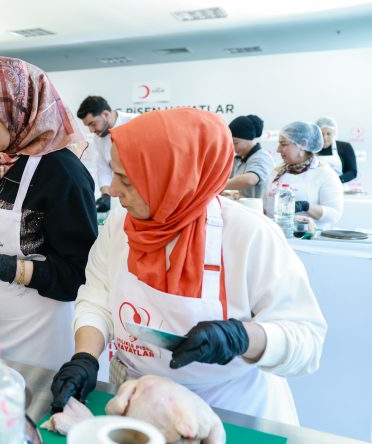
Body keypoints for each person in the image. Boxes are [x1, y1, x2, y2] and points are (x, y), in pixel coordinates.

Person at [50, 108, 327, 425]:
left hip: (230, 411)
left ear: (173, 178)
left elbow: (306, 342)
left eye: (126, 179)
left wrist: (242, 338)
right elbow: (97, 295)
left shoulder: (249, 235)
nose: (112, 189)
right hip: (141, 405)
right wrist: (85, 357)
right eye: (114, 174)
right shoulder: (119, 225)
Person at [0, 57, 98, 370]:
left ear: (21, 114)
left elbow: (79, 275)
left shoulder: (63, 173)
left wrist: (6, 267)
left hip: (41, 341)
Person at [263, 121, 344, 230]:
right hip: (275, 236)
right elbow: (266, 207)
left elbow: (334, 215)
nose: (278, 149)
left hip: (308, 239)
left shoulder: (325, 174)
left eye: (283, 144)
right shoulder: (278, 172)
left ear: (303, 144)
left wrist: (306, 206)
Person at [76, 96, 137, 212]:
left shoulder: (135, 123)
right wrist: (105, 195)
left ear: (106, 114)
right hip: (119, 197)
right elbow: (103, 166)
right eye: (88, 126)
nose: (91, 130)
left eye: (93, 124)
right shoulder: (99, 136)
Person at [225, 115, 274, 199]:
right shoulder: (238, 159)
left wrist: (219, 186)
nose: (232, 147)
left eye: (235, 143)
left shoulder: (262, 157)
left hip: (260, 210)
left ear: (249, 139)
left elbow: (250, 180)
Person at [315, 117, 357, 183]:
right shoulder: (311, 148)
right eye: (321, 134)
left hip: (339, 187)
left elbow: (352, 172)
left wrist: (335, 181)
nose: (325, 138)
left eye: (328, 134)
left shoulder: (344, 147)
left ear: (334, 133)